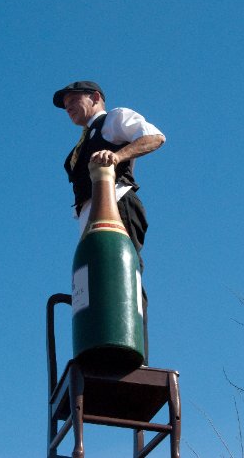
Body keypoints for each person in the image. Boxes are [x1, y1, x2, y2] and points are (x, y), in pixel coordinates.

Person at [54, 80, 165, 364]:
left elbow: (154, 137)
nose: (67, 107)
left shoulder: (113, 119)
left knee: (125, 273)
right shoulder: (83, 141)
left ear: (95, 97)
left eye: (72, 99)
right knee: (96, 278)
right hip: (90, 221)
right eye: (64, 104)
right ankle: (99, 342)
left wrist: (117, 156)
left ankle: (133, 352)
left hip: (117, 203)